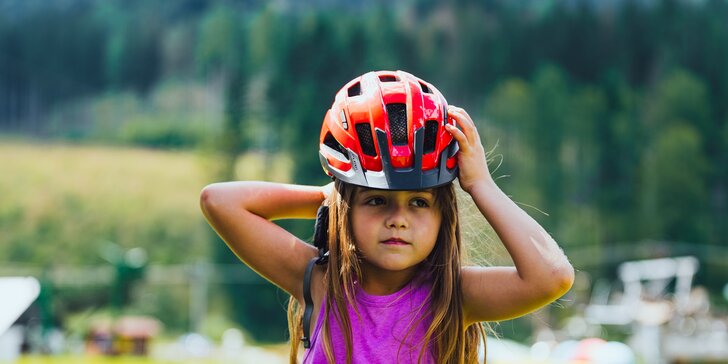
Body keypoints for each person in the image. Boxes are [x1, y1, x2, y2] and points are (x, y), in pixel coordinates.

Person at [200, 70, 574, 364]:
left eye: (419, 203)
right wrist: (330, 196)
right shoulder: (320, 281)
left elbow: (552, 276)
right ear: (349, 207)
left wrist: (481, 185)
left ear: (444, 215)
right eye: (377, 202)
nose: (398, 219)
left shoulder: (452, 296)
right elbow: (219, 201)